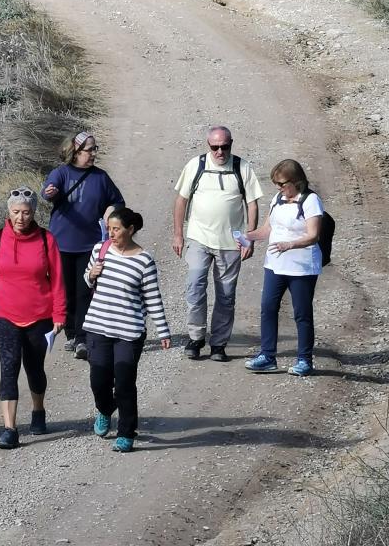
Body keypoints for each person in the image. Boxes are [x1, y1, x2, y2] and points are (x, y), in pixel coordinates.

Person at [0, 187, 66, 449]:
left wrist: (59, 313)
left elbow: (57, 280)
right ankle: (10, 429)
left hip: (40, 315)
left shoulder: (47, 240)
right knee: (9, 368)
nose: (21, 217)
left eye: (26, 212)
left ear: (34, 213)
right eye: (16, 212)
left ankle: (38, 411)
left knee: (34, 368)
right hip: (4, 314)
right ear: (8, 213)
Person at [172, 126, 263, 362]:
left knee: (225, 295)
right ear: (208, 145)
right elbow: (181, 200)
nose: (220, 151)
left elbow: (252, 204)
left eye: (224, 146)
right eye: (215, 147)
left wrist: (248, 239)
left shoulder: (242, 168)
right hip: (199, 238)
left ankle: (219, 344)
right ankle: (196, 337)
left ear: (231, 143)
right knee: (194, 286)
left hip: (230, 243)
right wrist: (178, 234)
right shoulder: (196, 165)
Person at [83, 207, 171, 453]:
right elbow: (87, 280)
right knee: (98, 381)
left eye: (116, 229)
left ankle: (126, 433)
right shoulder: (99, 251)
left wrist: (163, 330)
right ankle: (104, 409)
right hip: (98, 326)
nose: (111, 233)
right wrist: (91, 274)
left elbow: (153, 298)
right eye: (109, 228)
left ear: (130, 230)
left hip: (129, 332)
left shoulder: (144, 260)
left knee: (124, 383)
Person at [41, 132, 125, 360]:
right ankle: (70, 332)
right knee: (65, 291)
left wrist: (111, 210)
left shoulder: (101, 177)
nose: (94, 154)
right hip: (61, 244)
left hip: (90, 246)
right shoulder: (61, 173)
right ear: (76, 152)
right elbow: (47, 191)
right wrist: (50, 192)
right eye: (90, 150)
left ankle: (81, 338)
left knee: (85, 292)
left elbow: (117, 200)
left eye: (95, 149)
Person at [243, 160, 325, 377]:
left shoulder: (311, 201)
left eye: (281, 184)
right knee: (268, 308)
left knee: (302, 314)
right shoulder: (278, 199)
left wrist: (290, 244)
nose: (278, 188)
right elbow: (267, 230)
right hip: (275, 265)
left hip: (302, 268)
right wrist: (246, 236)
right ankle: (267, 356)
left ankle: (305, 360)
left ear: (296, 181)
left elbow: (313, 235)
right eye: (276, 184)